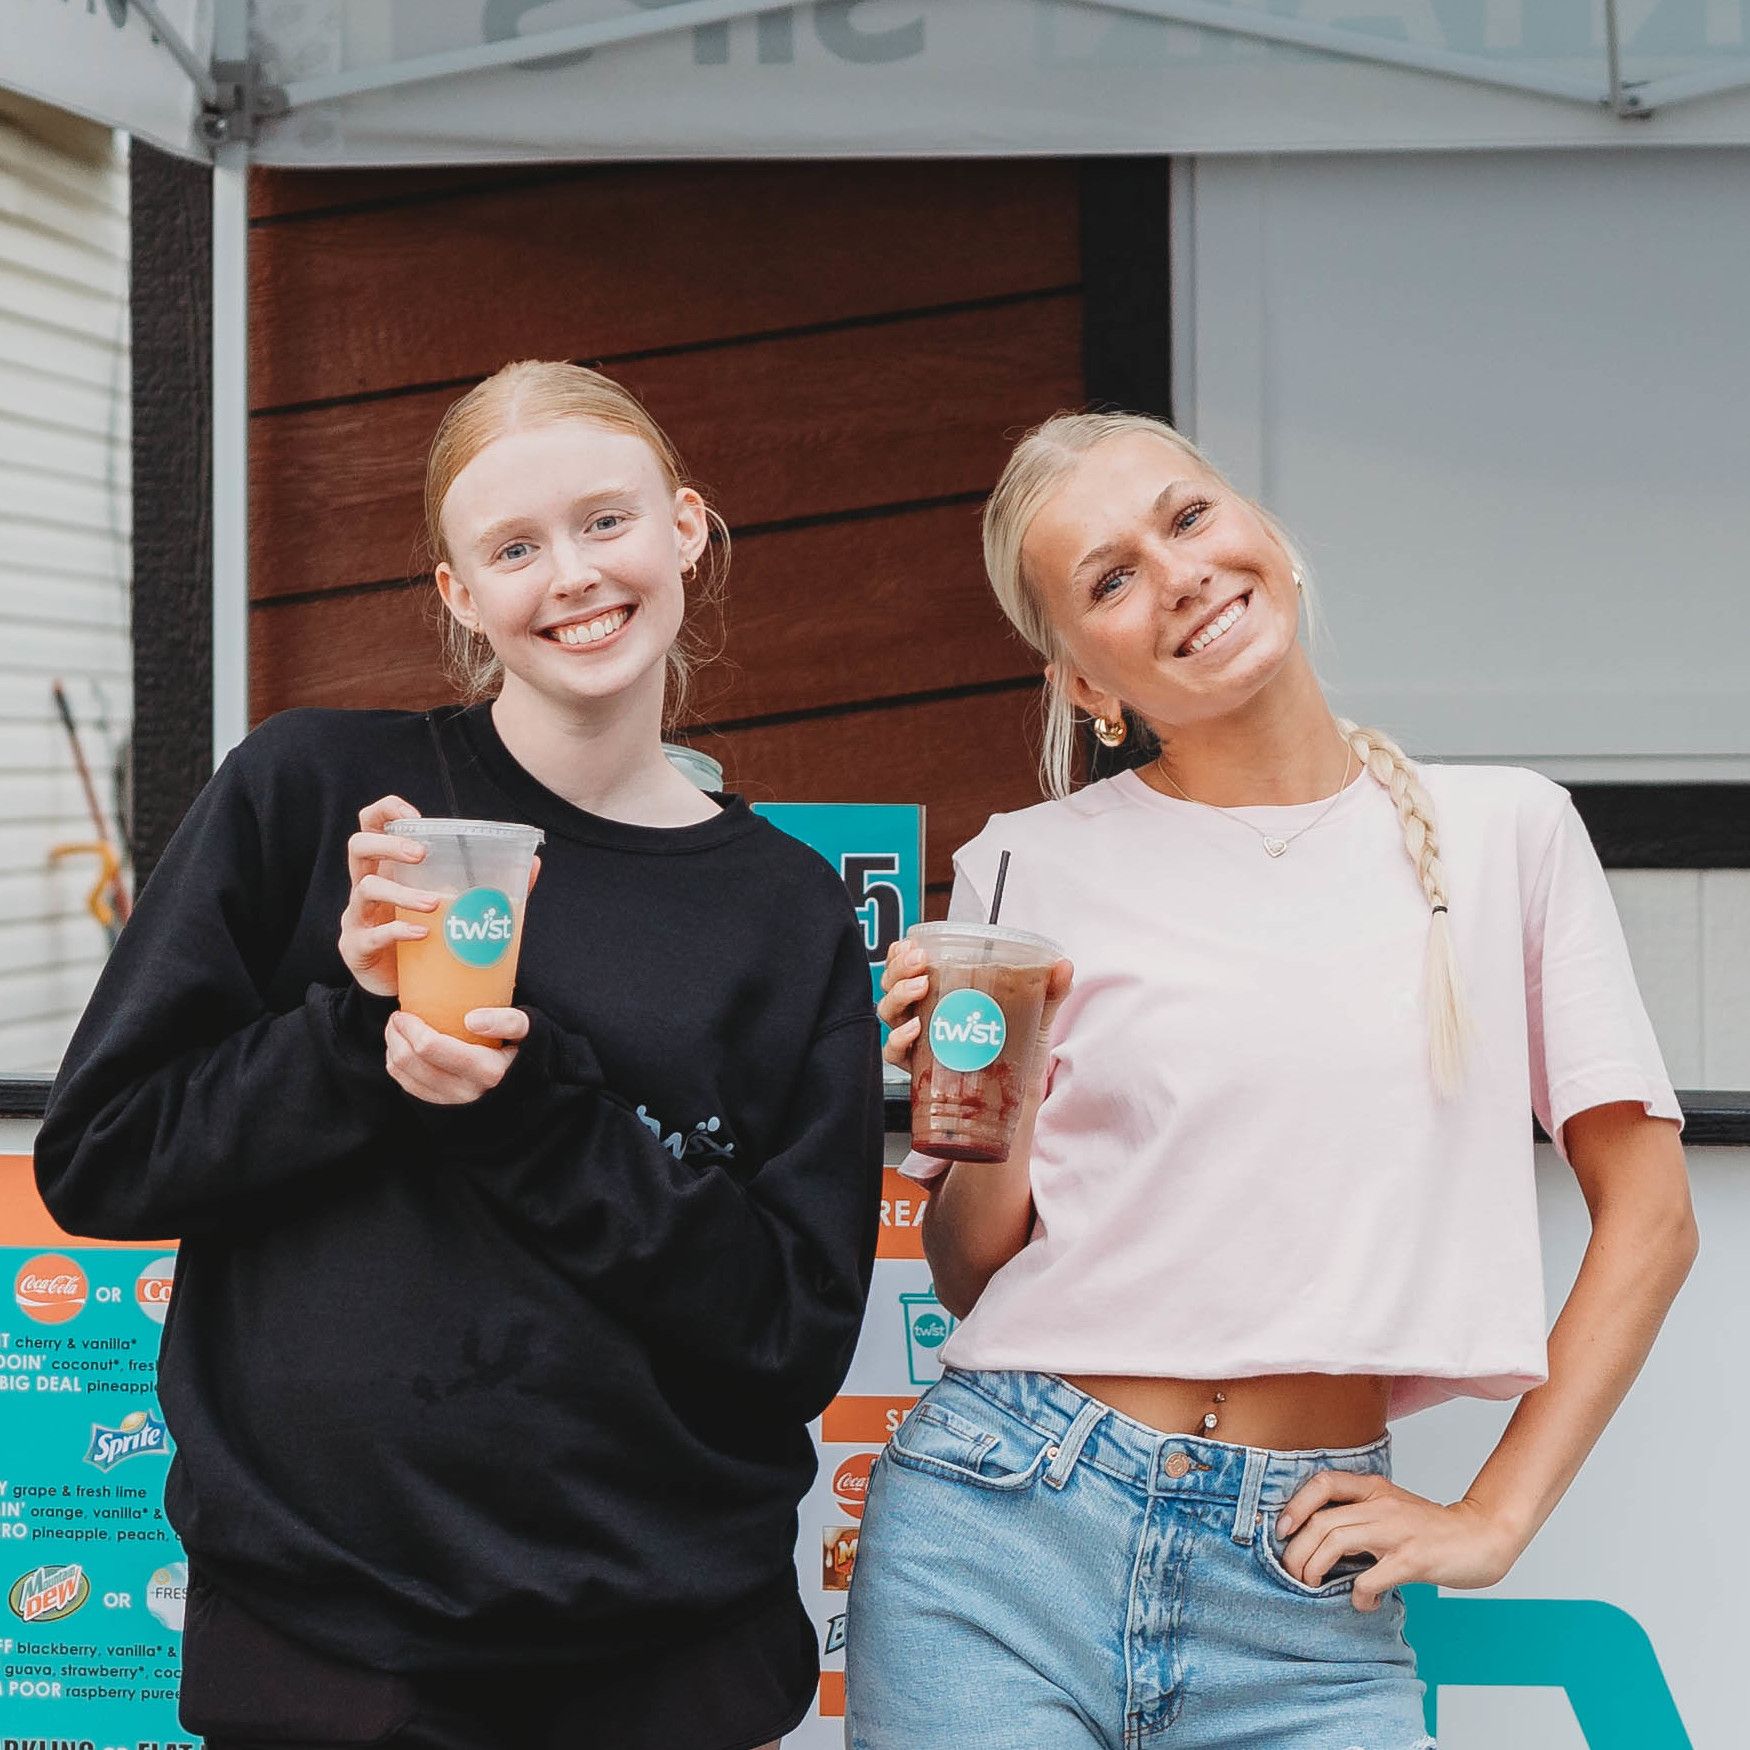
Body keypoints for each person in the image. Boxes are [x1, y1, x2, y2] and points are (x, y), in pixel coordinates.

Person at [35, 360, 886, 1750]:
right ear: (458, 594)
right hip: (328, 1651)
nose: (571, 575)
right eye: (513, 546)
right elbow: (104, 1160)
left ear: (685, 527)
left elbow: (786, 1332)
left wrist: (527, 1104)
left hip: (664, 1658)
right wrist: (357, 1029)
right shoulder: (315, 797)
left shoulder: (782, 908)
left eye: (605, 521)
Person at [844, 410, 1696, 1749]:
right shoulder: (1024, 860)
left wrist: (1496, 1512)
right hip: (997, 1526)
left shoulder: (1505, 833)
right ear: (1087, 687)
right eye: (1109, 578)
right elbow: (972, 1271)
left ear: (1268, 543)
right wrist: (989, 1104)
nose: (1173, 573)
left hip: (1301, 1583)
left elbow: (1651, 1213)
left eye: (1184, 519)